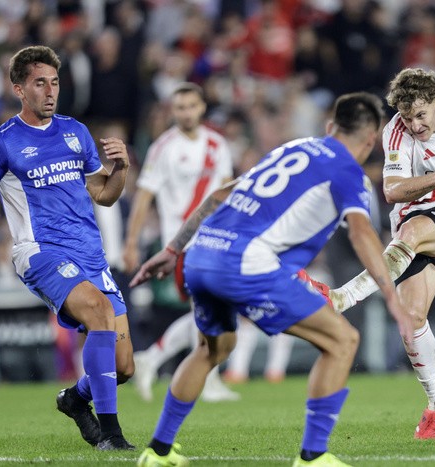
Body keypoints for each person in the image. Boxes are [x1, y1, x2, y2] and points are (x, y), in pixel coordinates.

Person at [131, 92, 414, 467]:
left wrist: (172, 250)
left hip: (201, 254)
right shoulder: (349, 173)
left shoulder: (292, 148)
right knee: (343, 340)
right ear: (371, 140)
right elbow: (362, 234)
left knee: (212, 349)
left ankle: (158, 452)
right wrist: (392, 297)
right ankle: (313, 456)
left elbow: (219, 194)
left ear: (331, 127)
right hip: (245, 263)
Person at [0, 45, 135, 451]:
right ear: (19, 88)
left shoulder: (75, 132)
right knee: (98, 311)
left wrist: (120, 170)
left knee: (123, 368)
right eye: (40, 83)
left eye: (54, 82)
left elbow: (103, 195)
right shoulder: (3, 143)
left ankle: (74, 400)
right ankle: (112, 436)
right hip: (40, 252)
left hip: (90, 252)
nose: (50, 91)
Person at [301, 68, 435, 439]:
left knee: (414, 231)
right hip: (415, 218)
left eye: (421, 115)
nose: (416, 125)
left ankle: (341, 297)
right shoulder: (395, 134)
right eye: (407, 117)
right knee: (411, 318)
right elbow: (392, 190)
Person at [123, 82, 238, 402]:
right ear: (172, 111)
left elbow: (226, 191)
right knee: (210, 309)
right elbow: (144, 194)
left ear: (202, 108)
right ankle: (207, 378)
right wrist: (131, 241)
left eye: (191, 106)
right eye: (179, 107)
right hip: (184, 243)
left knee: (215, 310)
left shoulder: (218, 144)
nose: (185, 113)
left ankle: (153, 358)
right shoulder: (164, 148)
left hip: (218, 239)